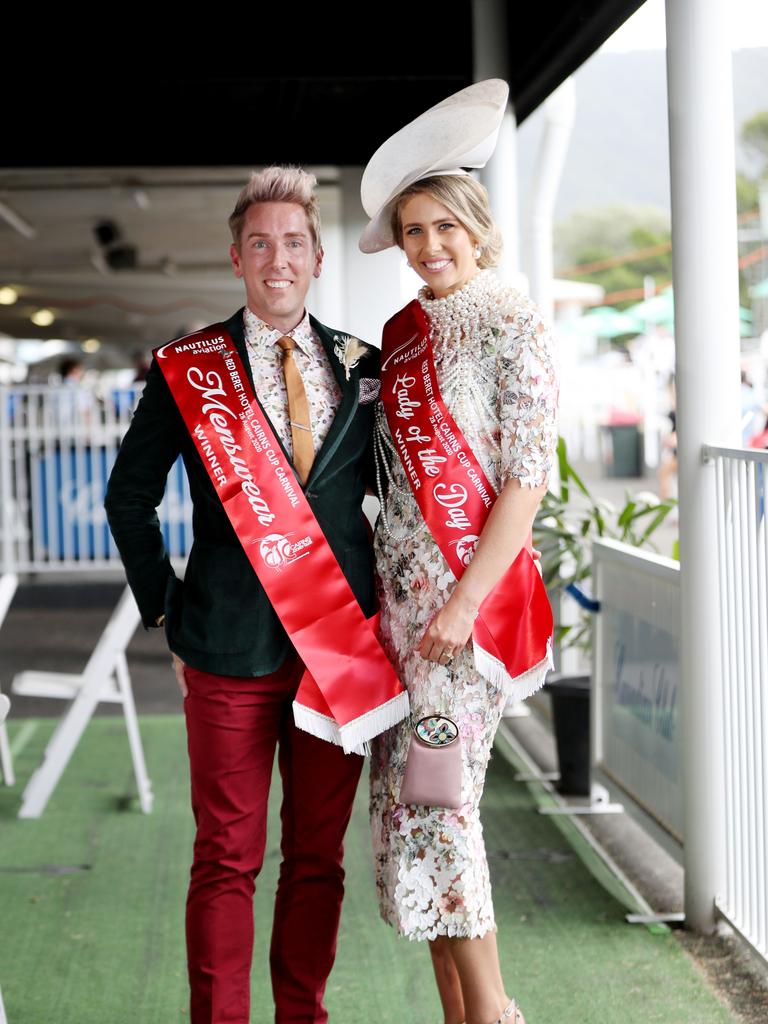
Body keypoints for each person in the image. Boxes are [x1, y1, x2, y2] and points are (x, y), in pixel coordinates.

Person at [105, 166, 406, 1024]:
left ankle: (300, 1015)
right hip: (225, 643)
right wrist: (163, 605)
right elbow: (129, 496)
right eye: (262, 244)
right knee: (226, 857)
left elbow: (400, 496)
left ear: (318, 258)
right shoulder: (190, 368)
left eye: (295, 243)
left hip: (337, 652)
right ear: (237, 257)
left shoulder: (366, 367)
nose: (279, 259)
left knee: (317, 859)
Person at [359, 82, 558, 1024]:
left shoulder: (511, 322)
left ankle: (493, 1018)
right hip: (400, 617)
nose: (430, 246)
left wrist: (460, 605)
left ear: (477, 229)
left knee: (441, 806)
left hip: (459, 621)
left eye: (445, 226)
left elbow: (524, 482)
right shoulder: (401, 336)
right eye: (412, 232)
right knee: (410, 815)